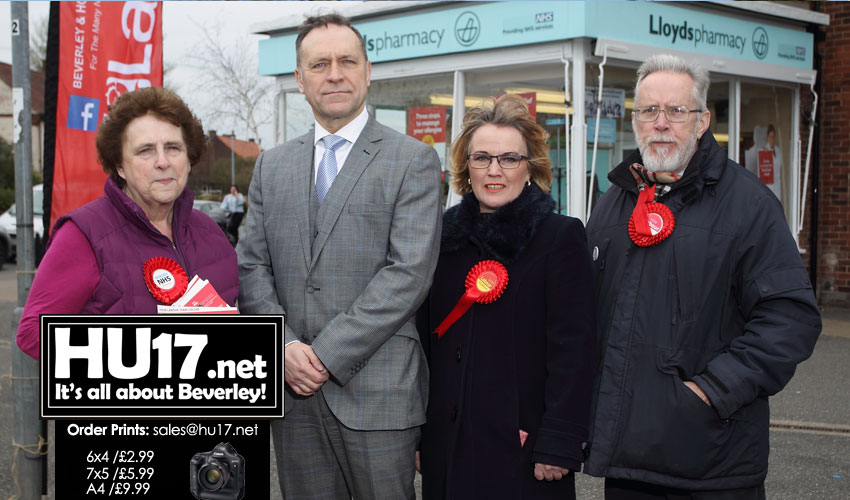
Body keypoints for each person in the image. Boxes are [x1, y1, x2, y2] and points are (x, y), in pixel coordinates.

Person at [584, 54, 821, 499]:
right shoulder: (613, 201)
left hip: (712, 462)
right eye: (649, 111)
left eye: (676, 111)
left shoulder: (748, 205)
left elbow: (790, 318)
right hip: (626, 465)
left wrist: (709, 391)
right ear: (635, 118)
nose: (660, 123)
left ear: (702, 120)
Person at [236, 13, 442, 500]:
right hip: (292, 395)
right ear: (300, 80)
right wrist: (283, 346)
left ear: (368, 71)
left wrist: (325, 356)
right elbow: (250, 265)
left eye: (347, 61)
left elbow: (408, 273)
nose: (335, 74)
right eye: (320, 63)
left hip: (378, 397)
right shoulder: (271, 166)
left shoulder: (412, 160)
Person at [416, 94, 597, 500]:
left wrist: (559, 441)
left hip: (524, 451)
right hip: (447, 445)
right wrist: (420, 436)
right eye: (482, 158)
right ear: (467, 167)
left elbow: (576, 352)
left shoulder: (560, 238)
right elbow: (425, 345)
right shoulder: (441, 238)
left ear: (529, 168)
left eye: (509, 159)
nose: (494, 170)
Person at [17, 86, 238, 359]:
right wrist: (141, 359)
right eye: (145, 150)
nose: (163, 162)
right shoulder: (83, 234)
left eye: (173, 148)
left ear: (189, 159)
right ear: (120, 165)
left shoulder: (212, 235)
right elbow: (32, 333)